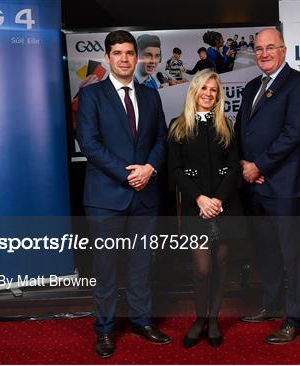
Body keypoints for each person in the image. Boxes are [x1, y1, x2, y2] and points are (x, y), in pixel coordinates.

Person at [76, 30, 170, 358]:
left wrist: (149, 169)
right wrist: (128, 173)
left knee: (142, 264)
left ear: (137, 57)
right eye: (118, 53)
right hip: (106, 196)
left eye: (130, 53)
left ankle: (142, 321)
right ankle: (104, 330)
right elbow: (89, 143)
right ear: (108, 57)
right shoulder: (92, 95)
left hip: (145, 195)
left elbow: (161, 139)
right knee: (105, 268)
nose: (125, 58)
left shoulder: (149, 95)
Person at [234, 28, 300, 344]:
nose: (264, 53)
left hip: (280, 184)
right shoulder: (252, 85)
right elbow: (244, 131)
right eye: (259, 49)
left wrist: (260, 166)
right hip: (253, 183)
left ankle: (295, 319)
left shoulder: (299, 84)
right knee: (265, 250)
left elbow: (293, 134)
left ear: (283, 50)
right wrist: (244, 165)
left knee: (290, 252)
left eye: (270, 47)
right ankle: (270, 305)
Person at [168, 70, 242, 348]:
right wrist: (200, 199)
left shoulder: (226, 125)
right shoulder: (178, 126)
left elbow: (234, 167)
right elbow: (174, 170)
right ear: (194, 92)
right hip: (195, 207)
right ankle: (200, 318)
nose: (209, 94)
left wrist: (218, 200)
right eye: (204, 89)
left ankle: (213, 320)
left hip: (226, 205)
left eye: (214, 89)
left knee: (222, 264)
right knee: (202, 268)